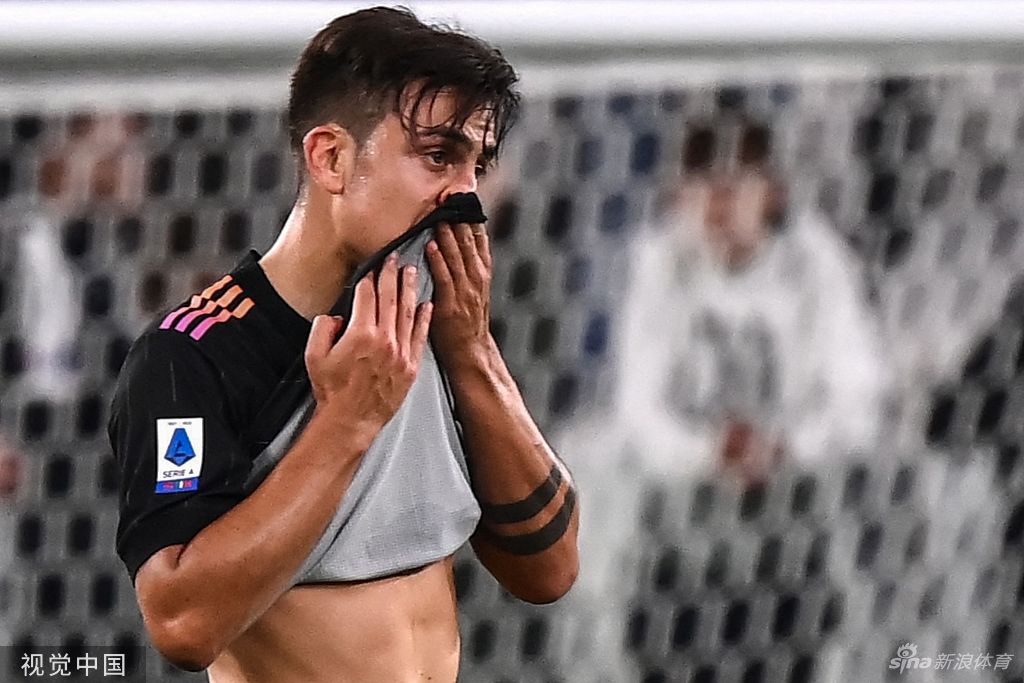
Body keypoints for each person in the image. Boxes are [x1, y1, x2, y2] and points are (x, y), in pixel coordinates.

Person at [107, 8, 579, 682]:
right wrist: (348, 421)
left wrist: (473, 351)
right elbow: (184, 624)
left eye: (477, 164)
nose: (467, 195)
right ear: (330, 158)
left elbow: (550, 569)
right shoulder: (190, 356)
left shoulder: (435, 321)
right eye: (439, 156)